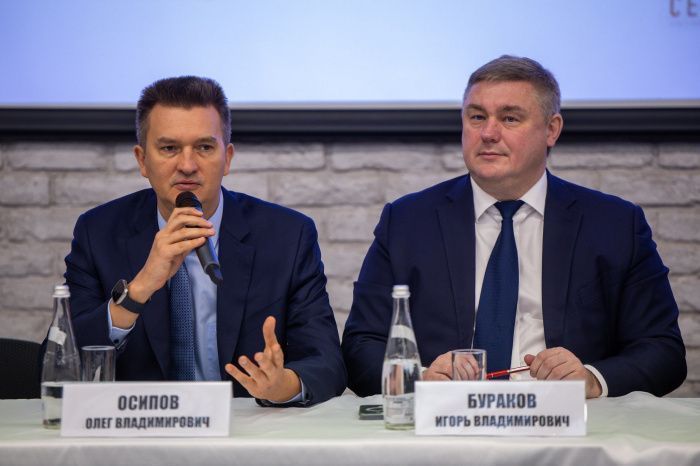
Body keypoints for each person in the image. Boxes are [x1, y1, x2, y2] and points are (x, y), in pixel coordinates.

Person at [342, 55, 686, 399]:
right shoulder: (407, 222)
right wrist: (420, 379)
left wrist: (592, 379)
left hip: (568, 418)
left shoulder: (614, 224)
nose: (488, 133)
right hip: (446, 417)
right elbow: (361, 345)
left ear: (551, 130)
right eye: (477, 117)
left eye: (509, 118)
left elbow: (662, 350)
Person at [65, 76, 346, 406]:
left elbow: (327, 362)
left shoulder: (288, 235)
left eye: (204, 147)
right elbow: (59, 361)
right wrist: (138, 291)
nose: (187, 166)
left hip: (245, 428)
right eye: (169, 148)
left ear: (227, 158)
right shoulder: (98, 233)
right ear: (142, 160)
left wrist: (282, 385)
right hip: (141, 426)